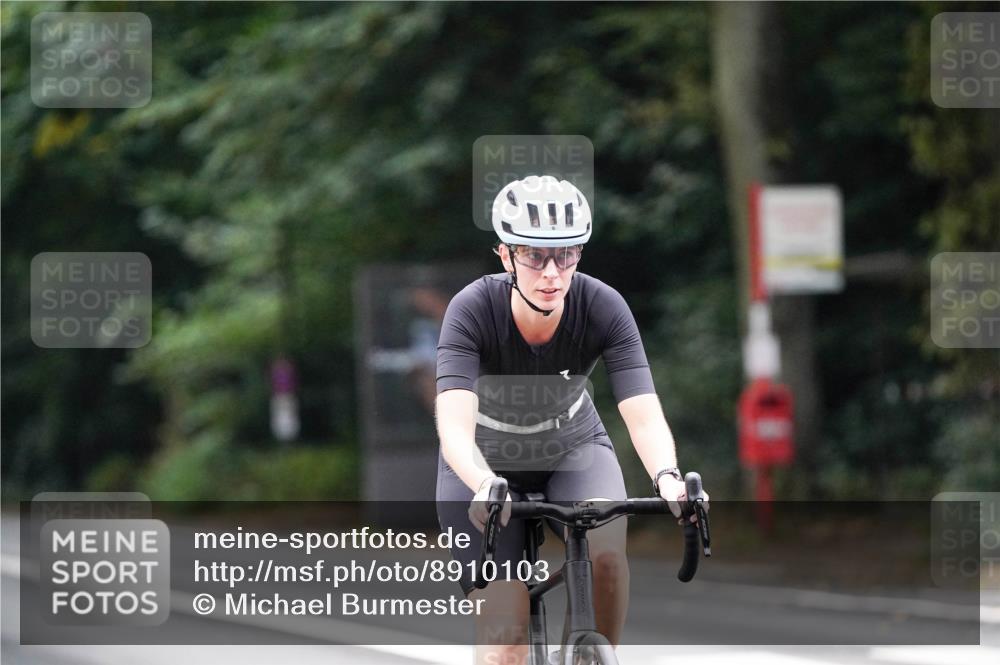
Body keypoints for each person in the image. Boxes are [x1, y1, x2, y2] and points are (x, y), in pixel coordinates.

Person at [435, 175, 707, 664]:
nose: (552, 273)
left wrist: (667, 477)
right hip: (482, 467)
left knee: (606, 562)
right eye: (534, 256)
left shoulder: (603, 306)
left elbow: (642, 413)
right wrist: (482, 483)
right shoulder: (471, 309)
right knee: (506, 639)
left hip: (573, 449)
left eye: (566, 255)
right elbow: (454, 424)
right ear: (505, 255)